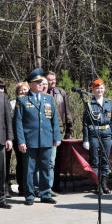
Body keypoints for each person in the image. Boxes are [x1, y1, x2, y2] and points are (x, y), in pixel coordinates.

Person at [15, 68, 61, 205]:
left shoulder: (49, 98)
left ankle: (45, 194)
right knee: (29, 170)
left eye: (42, 82)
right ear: (30, 84)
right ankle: (29, 196)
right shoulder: (22, 100)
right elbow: (18, 123)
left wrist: (56, 137)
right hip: (30, 141)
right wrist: (21, 141)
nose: (41, 84)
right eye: (38, 82)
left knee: (46, 168)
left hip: (47, 139)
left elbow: (55, 120)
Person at [82, 78, 112, 194]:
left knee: (105, 160)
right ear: (93, 89)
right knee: (95, 160)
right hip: (94, 134)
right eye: (97, 88)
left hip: (107, 134)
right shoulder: (89, 104)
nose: (99, 90)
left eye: (101, 88)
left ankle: (104, 184)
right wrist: (86, 139)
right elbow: (85, 123)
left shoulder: (109, 103)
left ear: (104, 89)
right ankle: (98, 184)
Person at [45, 71, 73, 192]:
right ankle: (46, 186)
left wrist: (69, 130)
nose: (53, 81)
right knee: (46, 161)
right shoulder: (41, 93)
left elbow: (68, 112)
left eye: (54, 79)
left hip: (60, 132)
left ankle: (56, 185)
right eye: (50, 79)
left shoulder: (61, 93)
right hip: (45, 131)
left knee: (57, 161)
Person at [7, 82, 30, 197]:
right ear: (17, 91)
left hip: (28, 137)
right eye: (21, 90)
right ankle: (21, 187)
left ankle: (27, 187)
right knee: (20, 162)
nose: (23, 91)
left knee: (28, 163)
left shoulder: (32, 102)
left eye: (25, 89)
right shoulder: (11, 103)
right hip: (15, 138)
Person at [0, 79, 14, 209]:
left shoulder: (3, 97)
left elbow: (8, 120)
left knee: (1, 171)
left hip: (1, 139)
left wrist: (9, 138)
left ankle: (1, 198)